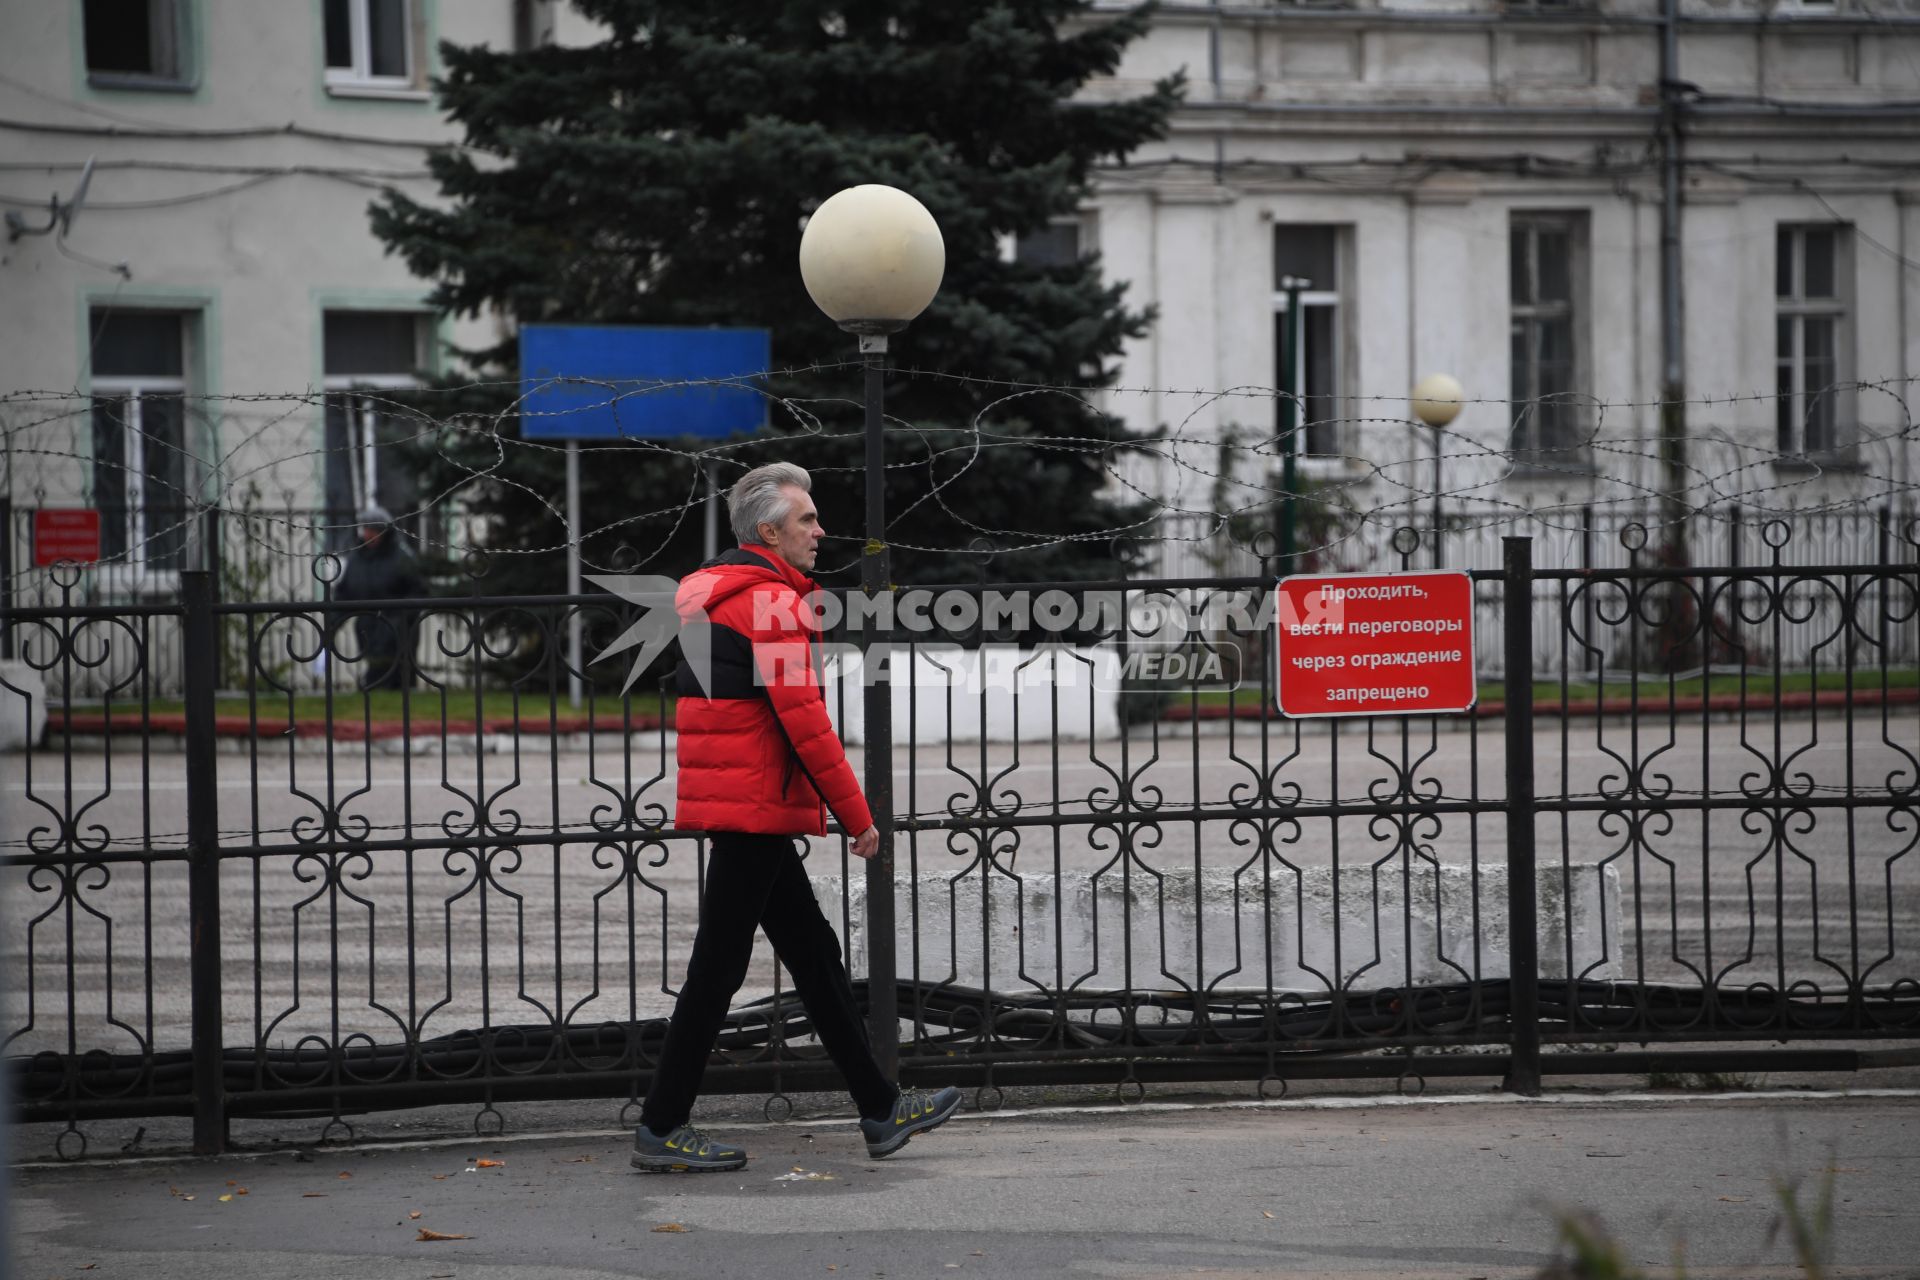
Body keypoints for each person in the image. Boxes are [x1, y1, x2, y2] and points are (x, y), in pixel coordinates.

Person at [631, 462, 961, 1173]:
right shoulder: (768, 601)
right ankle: (661, 1127)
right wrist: (856, 815)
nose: (822, 530)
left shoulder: (718, 591)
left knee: (814, 958)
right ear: (770, 531)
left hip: (750, 804)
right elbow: (803, 719)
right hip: (752, 806)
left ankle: (880, 1110)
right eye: (807, 520)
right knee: (718, 970)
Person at [331, 504, 425, 692]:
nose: (368, 535)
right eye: (366, 529)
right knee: (375, 672)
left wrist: (401, 618)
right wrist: (332, 622)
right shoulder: (357, 558)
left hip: (397, 630)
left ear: (384, 532)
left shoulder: (402, 557)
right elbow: (346, 593)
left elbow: (419, 591)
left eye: (373, 530)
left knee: (396, 680)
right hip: (368, 628)